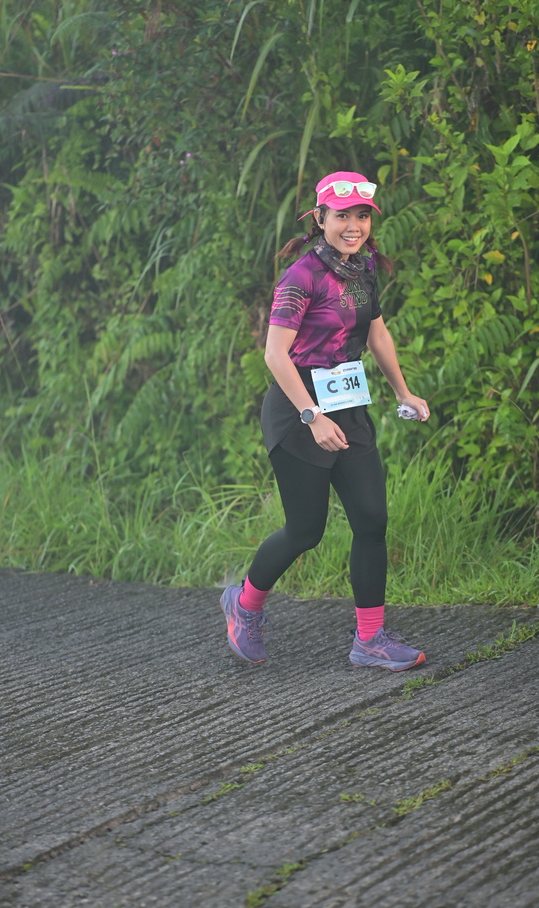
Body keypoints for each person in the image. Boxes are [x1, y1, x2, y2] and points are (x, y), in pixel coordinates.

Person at [220, 171, 430, 671]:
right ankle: (244, 604)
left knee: (371, 520)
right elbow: (275, 355)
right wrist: (312, 415)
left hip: (348, 406)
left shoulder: (363, 269)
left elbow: (377, 335)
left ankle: (370, 639)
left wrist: (402, 391)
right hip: (298, 412)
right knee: (305, 530)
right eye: (342, 216)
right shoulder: (302, 277)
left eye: (362, 216)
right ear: (320, 218)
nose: (353, 225)